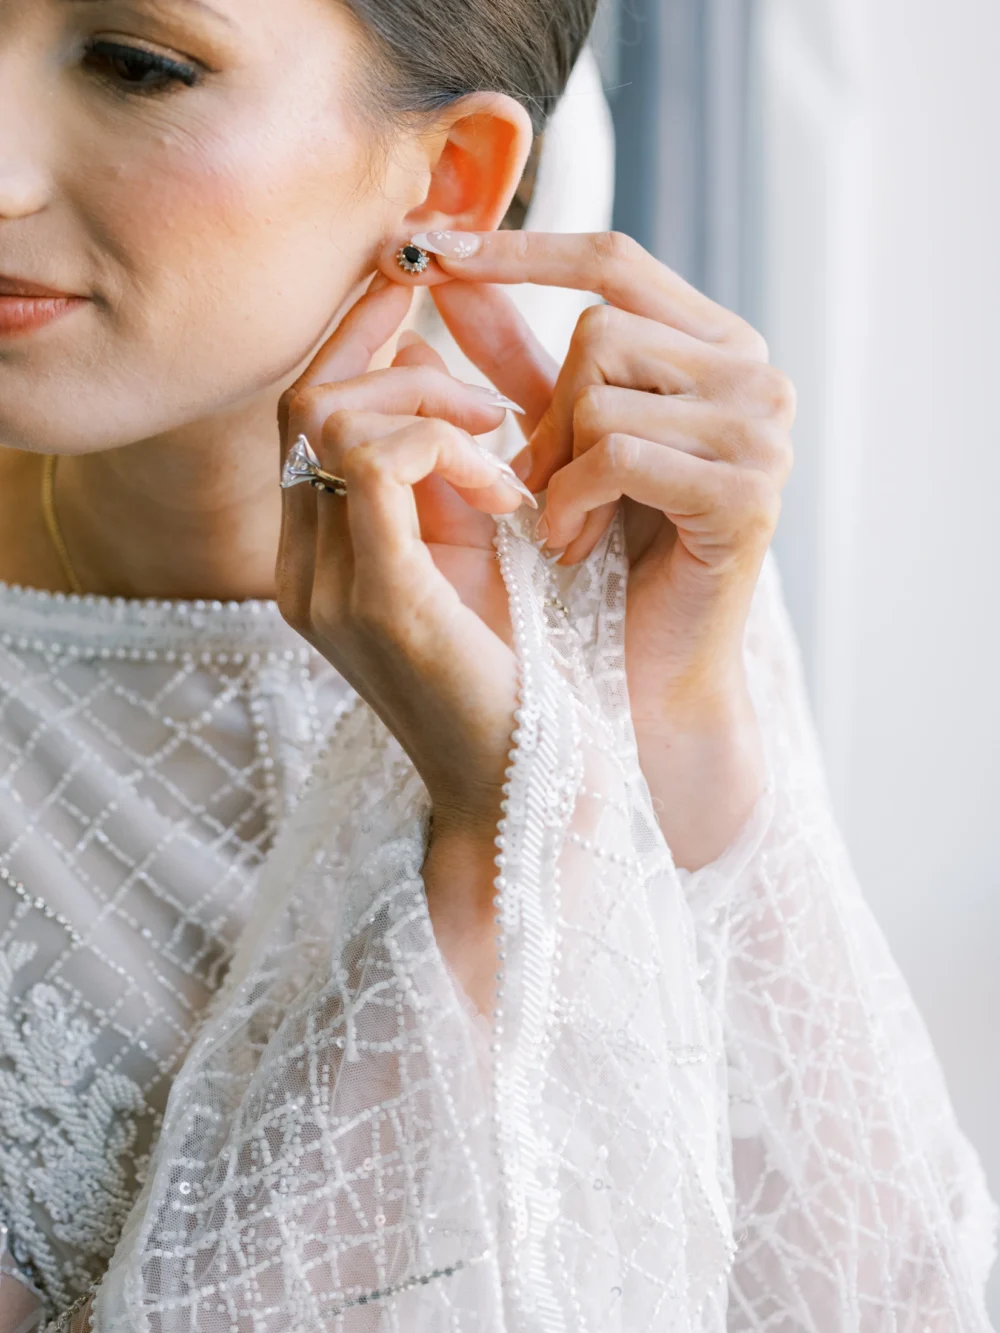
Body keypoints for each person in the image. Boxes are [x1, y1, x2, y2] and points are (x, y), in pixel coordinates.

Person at [0, 0, 994, 1329]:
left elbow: (887, 1301)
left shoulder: (608, 565)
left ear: (450, 177)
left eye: (136, 66)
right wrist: (507, 841)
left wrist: (672, 723)